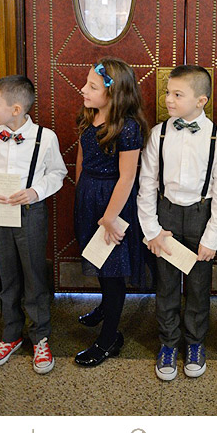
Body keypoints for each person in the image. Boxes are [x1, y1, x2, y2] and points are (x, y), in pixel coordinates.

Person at [138, 66, 217, 380]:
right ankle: (168, 342)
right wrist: (151, 230)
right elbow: (147, 183)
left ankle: (195, 342)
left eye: (178, 94)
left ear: (201, 100)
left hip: (200, 217)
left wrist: (212, 234)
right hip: (165, 214)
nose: (169, 99)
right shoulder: (159, 133)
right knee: (165, 284)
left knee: (198, 285)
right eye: (168, 92)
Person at [0, 74, 66, 375]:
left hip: (30, 213)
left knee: (33, 275)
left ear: (15, 109)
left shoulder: (45, 138)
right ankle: (11, 335)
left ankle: (40, 337)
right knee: (8, 274)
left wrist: (35, 192)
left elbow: (57, 173)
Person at [72, 58, 152, 368]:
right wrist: (81, 193)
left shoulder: (127, 128)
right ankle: (105, 305)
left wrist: (108, 217)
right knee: (98, 260)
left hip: (113, 203)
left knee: (113, 270)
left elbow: (127, 177)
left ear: (114, 93)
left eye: (92, 86)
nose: (83, 89)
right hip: (89, 198)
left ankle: (108, 340)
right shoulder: (89, 116)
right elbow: (82, 159)